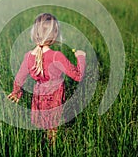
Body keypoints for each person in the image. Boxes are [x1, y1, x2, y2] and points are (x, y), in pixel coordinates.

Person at [7, 13, 86, 145]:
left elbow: (19, 79)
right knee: (53, 128)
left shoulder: (28, 56)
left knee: (44, 124)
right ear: (54, 35)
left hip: (39, 96)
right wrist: (81, 57)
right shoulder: (56, 56)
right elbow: (78, 76)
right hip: (55, 97)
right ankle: (52, 147)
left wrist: (16, 92)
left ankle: (45, 145)